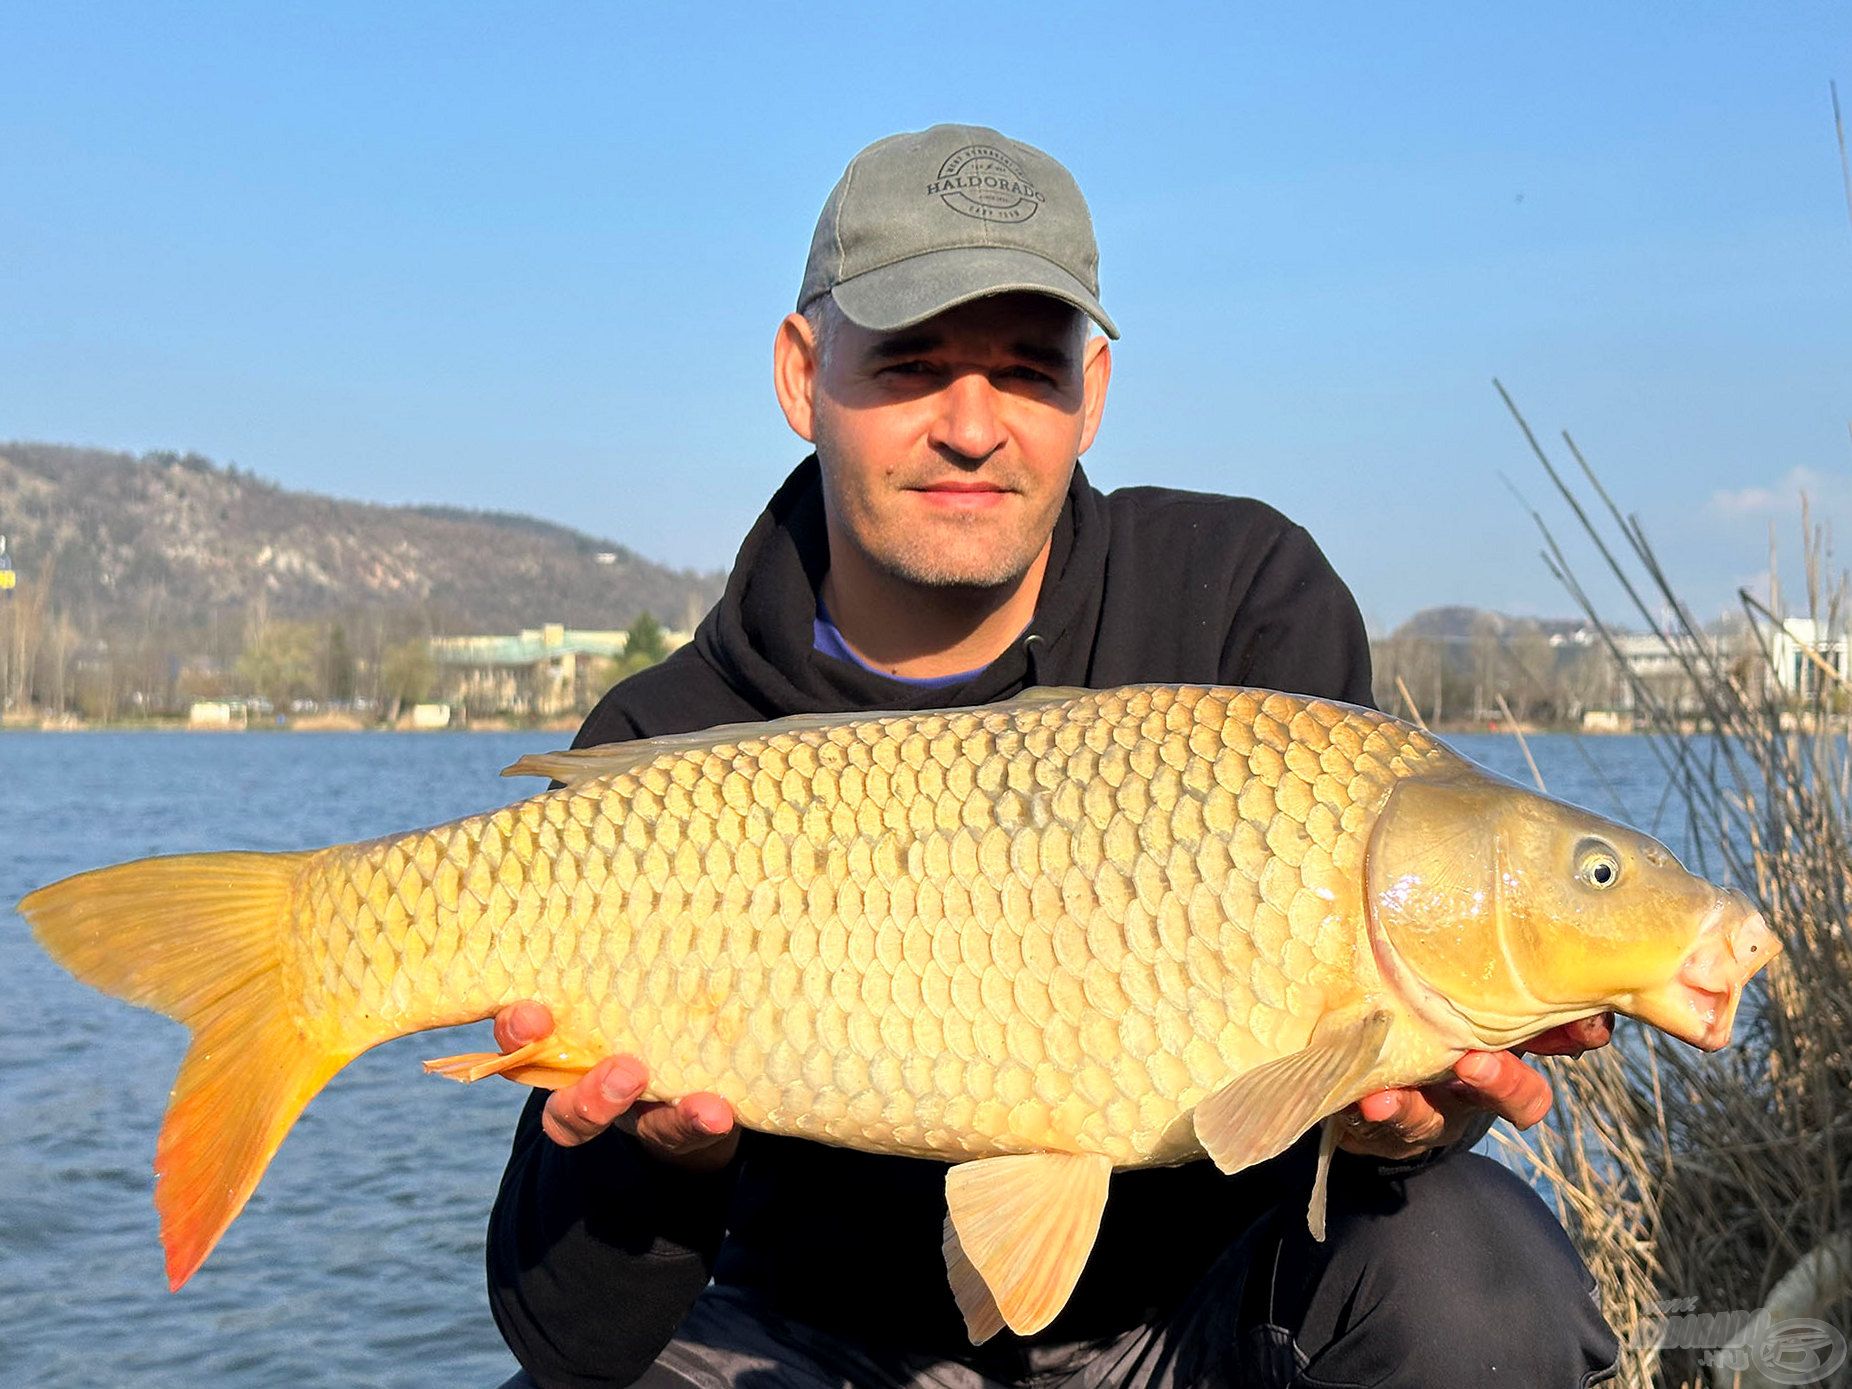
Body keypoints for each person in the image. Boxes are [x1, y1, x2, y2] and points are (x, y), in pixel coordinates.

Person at [486, 124, 1620, 1389]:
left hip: (1188, 1323)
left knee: (1478, 1271)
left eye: (1027, 371)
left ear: (1094, 393)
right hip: (796, 1341)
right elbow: (562, 1338)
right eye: (912, 365)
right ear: (802, 375)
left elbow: (1335, 1114)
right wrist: (659, 1159)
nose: (971, 428)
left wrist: (1397, 1129)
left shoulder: (1241, 607)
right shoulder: (669, 746)